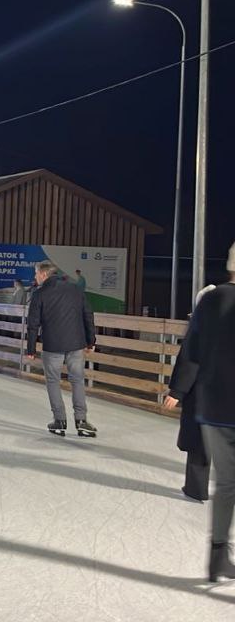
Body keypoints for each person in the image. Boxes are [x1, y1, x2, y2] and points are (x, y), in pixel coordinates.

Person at [185, 243, 235, 582]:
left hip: (213, 406)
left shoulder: (210, 299)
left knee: (227, 483)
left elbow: (193, 350)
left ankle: (218, 553)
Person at [25, 260, 97, 438]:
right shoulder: (75, 289)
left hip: (53, 345)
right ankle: (81, 421)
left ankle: (60, 421)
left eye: (36, 274)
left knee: (53, 381)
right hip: (76, 344)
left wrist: (31, 349)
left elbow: (33, 324)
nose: (35, 277)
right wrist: (90, 340)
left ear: (43, 274)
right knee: (77, 380)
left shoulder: (39, 294)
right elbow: (88, 315)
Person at [165, 285, 216, 502]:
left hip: (206, 391)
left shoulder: (204, 325)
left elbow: (190, 359)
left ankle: (196, 488)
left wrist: (177, 391)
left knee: (200, 441)